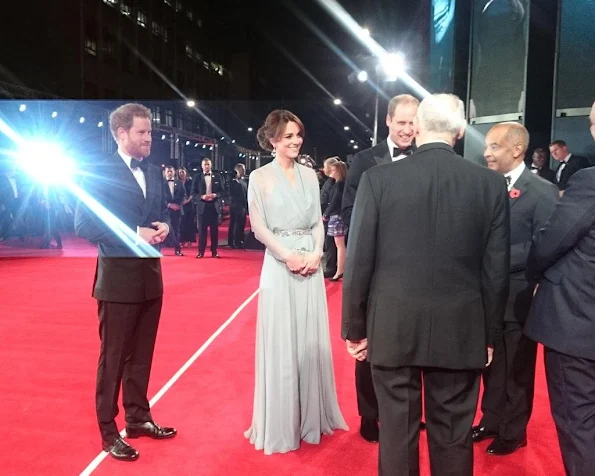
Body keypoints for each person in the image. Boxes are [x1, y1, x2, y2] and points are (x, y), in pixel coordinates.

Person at [342, 94, 510, 476]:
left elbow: (359, 260)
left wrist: (354, 327)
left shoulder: (378, 179)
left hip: (392, 326)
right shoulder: (489, 184)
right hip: (461, 328)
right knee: (453, 434)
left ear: (417, 126)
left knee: (397, 434)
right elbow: (495, 271)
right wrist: (489, 335)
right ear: (461, 129)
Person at [74, 103, 176, 462]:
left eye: (150, 132)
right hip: (117, 281)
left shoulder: (152, 170)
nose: (149, 138)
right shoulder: (99, 170)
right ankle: (107, 431)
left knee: (142, 357)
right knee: (114, 358)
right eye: (142, 133)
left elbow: (158, 213)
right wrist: (135, 233)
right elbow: (85, 225)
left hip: (151, 278)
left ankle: (138, 418)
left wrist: (164, 225)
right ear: (121, 133)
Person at [244, 109, 347, 455]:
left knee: (308, 341)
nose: (295, 141)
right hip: (279, 265)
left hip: (312, 265)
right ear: (273, 140)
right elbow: (259, 227)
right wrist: (287, 255)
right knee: (283, 340)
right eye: (288, 136)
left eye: (298, 135)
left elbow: (318, 221)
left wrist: (317, 251)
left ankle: (312, 416)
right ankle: (283, 421)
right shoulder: (259, 178)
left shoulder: (309, 175)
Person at [472, 123, 558, 455]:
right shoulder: (484, 185)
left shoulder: (542, 191)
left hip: (520, 292)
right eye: (487, 146)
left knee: (517, 366)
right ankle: (491, 420)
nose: (487, 152)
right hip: (484, 292)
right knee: (488, 362)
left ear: (517, 148)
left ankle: (513, 430)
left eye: (494, 146)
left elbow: (546, 245)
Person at [341, 93, 420, 442]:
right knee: (368, 346)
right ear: (388, 121)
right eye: (401, 122)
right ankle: (369, 413)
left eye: (412, 123)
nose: (407, 129)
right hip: (374, 269)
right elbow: (348, 213)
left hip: (416, 271)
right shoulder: (363, 160)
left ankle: (407, 412)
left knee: (414, 344)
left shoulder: (425, 158)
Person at [523, 101, 595, 476]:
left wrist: (532, 274)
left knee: (579, 422)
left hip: (578, 326)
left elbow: (553, 240)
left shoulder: (589, 181)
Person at [191, 158, 222, 258]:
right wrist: (201, 197)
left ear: (211, 165)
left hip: (214, 206)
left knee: (214, 231)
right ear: (202, 166)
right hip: (202, 207)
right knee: (201, 231)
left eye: (208, 164)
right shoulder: (197, 177)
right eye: (205, 165)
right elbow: (193, 193)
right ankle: (201, 252)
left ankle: (214, 251)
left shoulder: (217, 176)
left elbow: (223, 191)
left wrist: (215, 195)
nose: (207, 166)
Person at [322, 160, 347, 281]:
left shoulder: (340, 184)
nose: (331, 172)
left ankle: (340, 271)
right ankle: (339, 270)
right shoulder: (338, 184)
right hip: (335, 216)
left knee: (339, 245)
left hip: (336, 217)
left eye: (333, 170)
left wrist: (326, 213)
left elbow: (335, 201)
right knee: (338, 245)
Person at [320, 157, 339, 278]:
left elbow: (333, 200)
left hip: (330, 216)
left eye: (326, 166)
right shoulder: (330, 181)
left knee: (331, 242)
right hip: (327, 214)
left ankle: (331, 267)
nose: (324, 168)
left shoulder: (334, 182)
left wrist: (326, 214)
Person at [163, 165, 185, 256]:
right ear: (165, 172)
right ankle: (160, 250)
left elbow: (183, 195)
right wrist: (168, 205)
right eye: (167, 171)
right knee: (164, 230)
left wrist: (178, 205)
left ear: (174, 172)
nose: (169, 173)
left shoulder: (179, 183)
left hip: (177, 210)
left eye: (171, 171)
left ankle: (177, 250)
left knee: (176, 230)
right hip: (165, 210)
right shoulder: (161, 183)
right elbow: (159, 196)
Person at [228, 163, 248, 248]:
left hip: (243, 205)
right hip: (235, 205)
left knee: (241, 224)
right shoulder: (232, 182)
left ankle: (239, 240)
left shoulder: (243, 181)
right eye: (243, 169)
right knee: (235, 224)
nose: (244, 171)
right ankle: (233, 241)